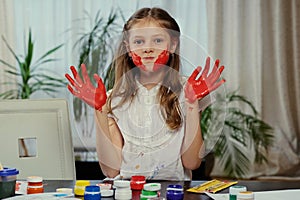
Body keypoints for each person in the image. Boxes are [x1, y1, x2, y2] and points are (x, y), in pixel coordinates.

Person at [65, 7, 225, 180]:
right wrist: (100, 110)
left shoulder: (188, 91)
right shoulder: (115, 98)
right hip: (127, 190)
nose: (147, 48)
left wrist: (192, 105)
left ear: (172, 45)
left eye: (157, 40)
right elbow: (111, 171)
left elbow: (192, 162)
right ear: (128, 47)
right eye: (139, 42)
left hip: (173, 191)